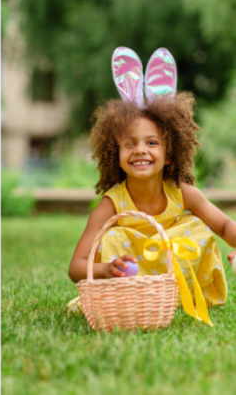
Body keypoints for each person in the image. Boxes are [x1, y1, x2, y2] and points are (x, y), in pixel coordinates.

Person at [68, 47, 236, 320]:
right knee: (112, 236)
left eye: (152, 142)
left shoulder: (182, 193)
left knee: (197, 229)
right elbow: (76, 267)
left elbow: (224, 225)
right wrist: (106, 269)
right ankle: (137, 297)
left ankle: (185, 293)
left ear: (169, 153)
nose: (140, 150)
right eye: (129, 143)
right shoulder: (112, 204)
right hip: (132, 288)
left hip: (175, 278)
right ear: (116, 153)